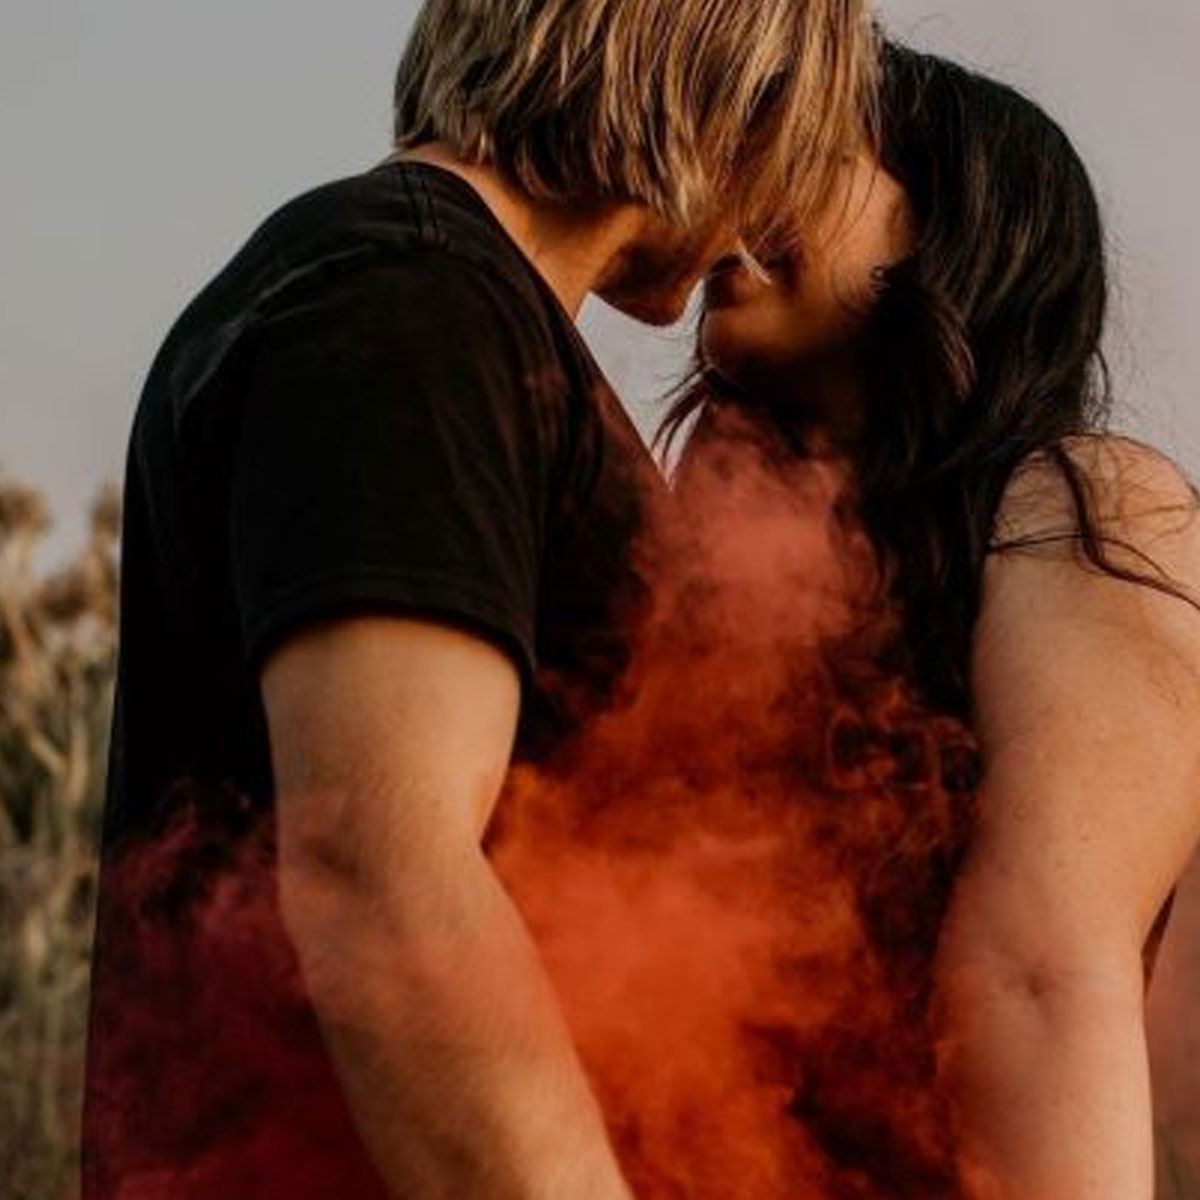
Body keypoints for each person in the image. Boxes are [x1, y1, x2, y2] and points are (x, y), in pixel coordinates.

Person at [80, 1, 876, 1198]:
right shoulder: (407, 299)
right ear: (723, 87)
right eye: (786, 131)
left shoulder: (444, 303)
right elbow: (379, 867)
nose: (769, 217)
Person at [668, 40, 1200, 1200]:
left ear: (953, 225)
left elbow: (1044, 967)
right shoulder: (723, 574)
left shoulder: (1080, 501)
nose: (731, 196)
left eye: (806, 156)